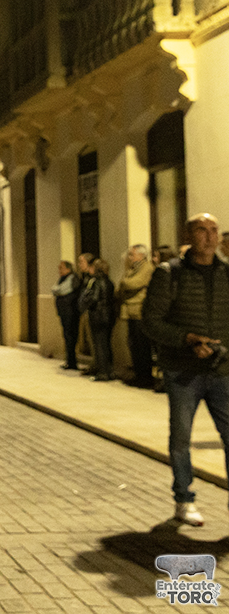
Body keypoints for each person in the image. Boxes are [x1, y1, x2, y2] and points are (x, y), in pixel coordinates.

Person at [143, 213, 229, 527]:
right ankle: (184, 499)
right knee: (181, 438)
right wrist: (187, 340)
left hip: (223, 370)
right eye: (201, 231)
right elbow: (151, 321)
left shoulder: (226, 273)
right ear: (189, 235)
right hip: (183, 371)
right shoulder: (169, 273)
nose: (209, 237)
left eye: (213, 230)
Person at [115, 244, 155, 388]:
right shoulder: (132, 269)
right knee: (133, 345)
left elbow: (133, 283)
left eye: (132, 255)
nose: (129, 258)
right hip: (130, 311)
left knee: (142, 345)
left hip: (139, 311)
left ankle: (145, 377)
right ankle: (138, 374)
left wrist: (124, 282)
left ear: (141, 255)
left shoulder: (146, 268)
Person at [79, 258, 115, 381]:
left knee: (99, 344)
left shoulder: (96, 281)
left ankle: (102, 372)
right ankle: (109, 370)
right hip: (108, 316)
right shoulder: (109, 281)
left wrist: (85, 303)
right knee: (106, 344)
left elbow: (94, 298)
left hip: (98, 316)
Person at [51, 261, 81, 370]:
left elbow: (60, 290)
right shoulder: (62, 279)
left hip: (71, 312)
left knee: (71, 337)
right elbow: (54, 289)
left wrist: (56, 290)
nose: (59, 270)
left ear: (68, 269)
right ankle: (69, 360)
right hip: (64, 312)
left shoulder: (73, 278)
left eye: (61, 268)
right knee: (67, 337)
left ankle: (72, 362)